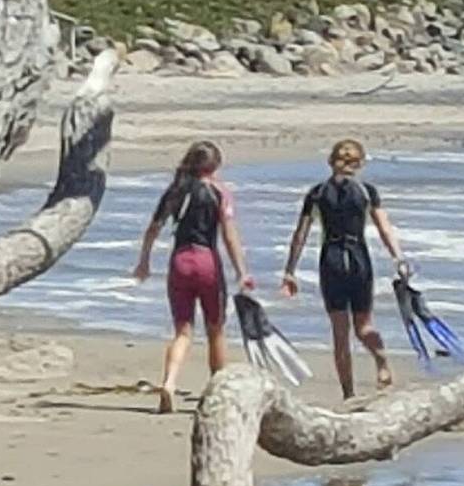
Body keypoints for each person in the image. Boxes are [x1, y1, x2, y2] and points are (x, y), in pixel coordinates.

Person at [132, 141, 256, 414]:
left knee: (183, 331)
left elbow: (153, 228)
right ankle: (216, 392)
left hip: (180, 261)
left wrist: (144, 261)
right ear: (215, 166)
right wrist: (242, 272)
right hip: (206, 261)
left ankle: (169, 383)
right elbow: (229, 235)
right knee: (215, 329)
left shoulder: (176, 190)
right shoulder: (219, 192)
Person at [281, 139, 411, 398]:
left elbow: (300, 235)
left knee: (340, 334)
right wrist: (399, 258)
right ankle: (381, 361)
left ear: (331, 162)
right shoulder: (366, 192)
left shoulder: (317, 193)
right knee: (364, 327)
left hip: (332, 261)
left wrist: (290, 271)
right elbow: (384, 229)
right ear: (360, 163)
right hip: (359, 259)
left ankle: (348, 394)